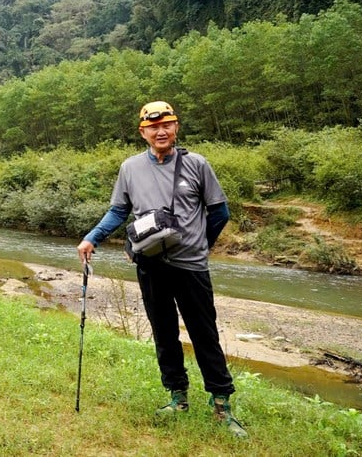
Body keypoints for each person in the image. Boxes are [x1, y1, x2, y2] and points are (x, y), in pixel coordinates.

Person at [76, 101, 247, 438]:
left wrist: (200, 243)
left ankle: (222, 405)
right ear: (143, 132)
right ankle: (177, 397)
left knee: (204, 334)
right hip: (150, 264)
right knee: (164, 333)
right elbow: (118, 211)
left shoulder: (196, 164)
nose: (161, 131)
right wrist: (92, 238)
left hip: (191, 266)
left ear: (176, 127)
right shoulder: (130, 168)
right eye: (153, 127)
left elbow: (220, 213)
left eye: (167, 124)